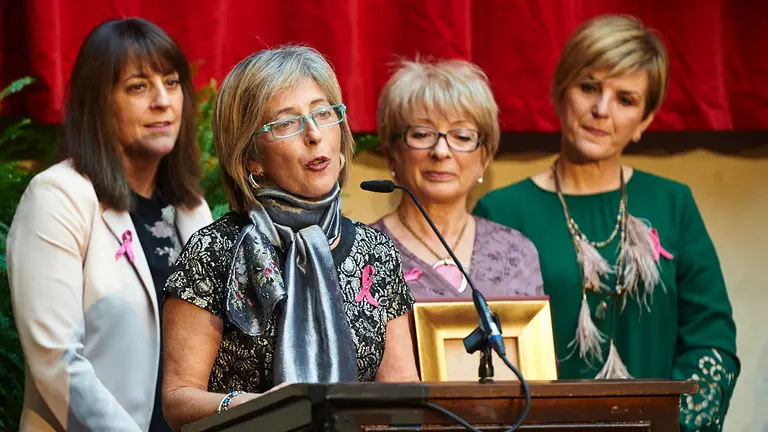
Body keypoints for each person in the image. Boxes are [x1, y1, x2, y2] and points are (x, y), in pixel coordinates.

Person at [474, 15, 739, 430]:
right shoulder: (501, 211)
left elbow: (712, 338)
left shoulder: (673, 203)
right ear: (562, 91)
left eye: (625, 99)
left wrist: (673, 425)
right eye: (589, 87)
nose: (601, 110)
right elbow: (488, 360)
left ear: (645, 122)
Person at [161, 45, 419, 430]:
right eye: (286, 124)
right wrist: (258, 407)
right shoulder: (214, 252)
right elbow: (178, 399)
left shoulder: (375, 252)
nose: (314, 135)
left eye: (323, 113)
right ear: (251, 157)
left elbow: (403, 392)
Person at [6, 18, 212, 432]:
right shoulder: (57, 197)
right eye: (138, 86)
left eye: (171, 83)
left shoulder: (193, 209)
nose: (162, 101)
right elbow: (57, 359)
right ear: (98, 102)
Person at [370, 59, 543, 299]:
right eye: (422, 134)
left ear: (485, 158)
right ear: (392, 154)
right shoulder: (361, 253)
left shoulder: (516, 252)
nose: (441, 152)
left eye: (461, 137)